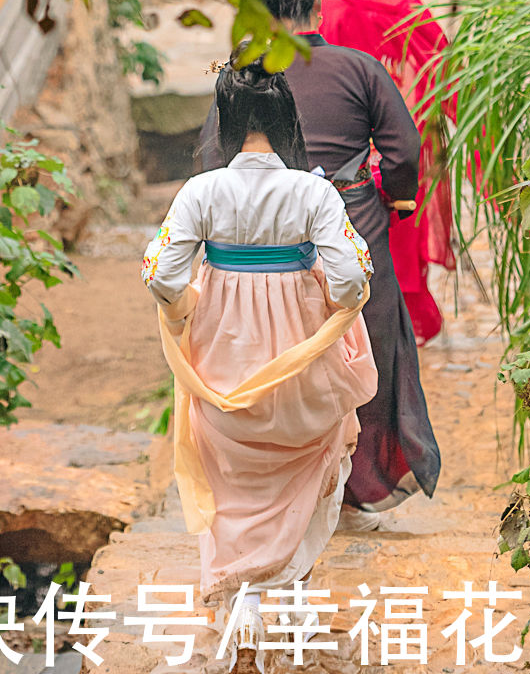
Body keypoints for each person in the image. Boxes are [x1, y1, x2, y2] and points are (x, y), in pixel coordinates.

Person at [199, 0, 441, 518]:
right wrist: (391, 194)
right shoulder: (359, 69)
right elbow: (405, 150)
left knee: (269, 352)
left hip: (267, 241)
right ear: (315, 7)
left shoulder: (245, 75)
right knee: (368, 348)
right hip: (352, 228)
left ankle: (277, 483)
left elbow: (211, 158)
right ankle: (358, 481)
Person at [143, 57, 377, 666]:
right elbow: (352, 283)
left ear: (224, 120)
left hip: (223, 356)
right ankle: (289, 589)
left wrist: (193, 301)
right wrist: (320, 296)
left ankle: (243, 607)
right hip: (299, 364)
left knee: (231, 477)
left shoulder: (201, 192)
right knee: (309, 459)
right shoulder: (314, 193)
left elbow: (164, 278)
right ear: (284, 120)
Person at [320, 0, 457, 346]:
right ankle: (399, 337)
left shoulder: (325, 14)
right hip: (400, 155)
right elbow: (448, 89)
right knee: (398, 251)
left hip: (343, 157)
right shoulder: (412, 12)